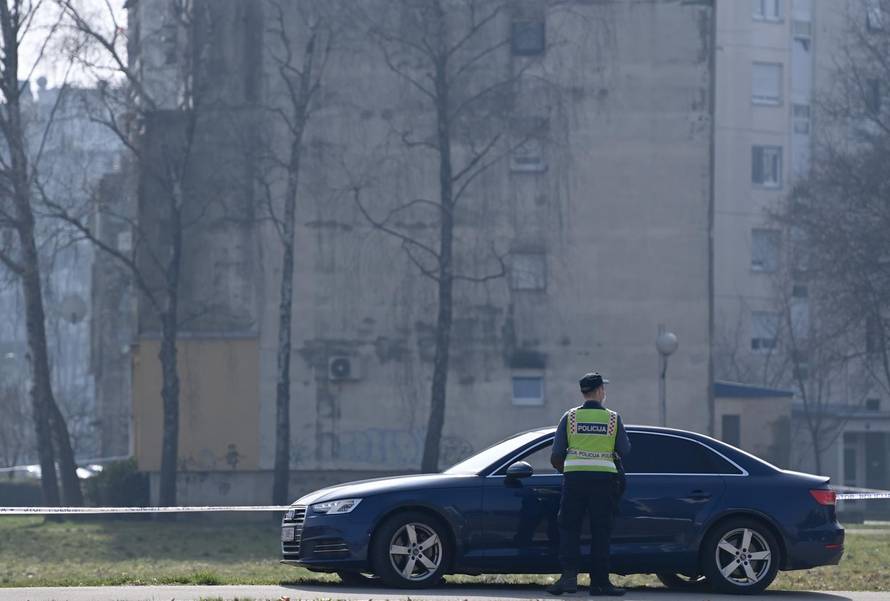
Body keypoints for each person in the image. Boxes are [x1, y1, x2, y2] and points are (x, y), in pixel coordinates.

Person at [547, 372, 631, 597]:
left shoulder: (570, 417)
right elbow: (624, 450)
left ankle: (568, 580)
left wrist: (570, 468)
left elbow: (556, 455)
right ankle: (600, 584)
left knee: (569, 528)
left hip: (575, 480)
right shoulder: (613, 418)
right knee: (601, 531)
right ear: (600, 391)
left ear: (583, 392)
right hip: (604, 482)